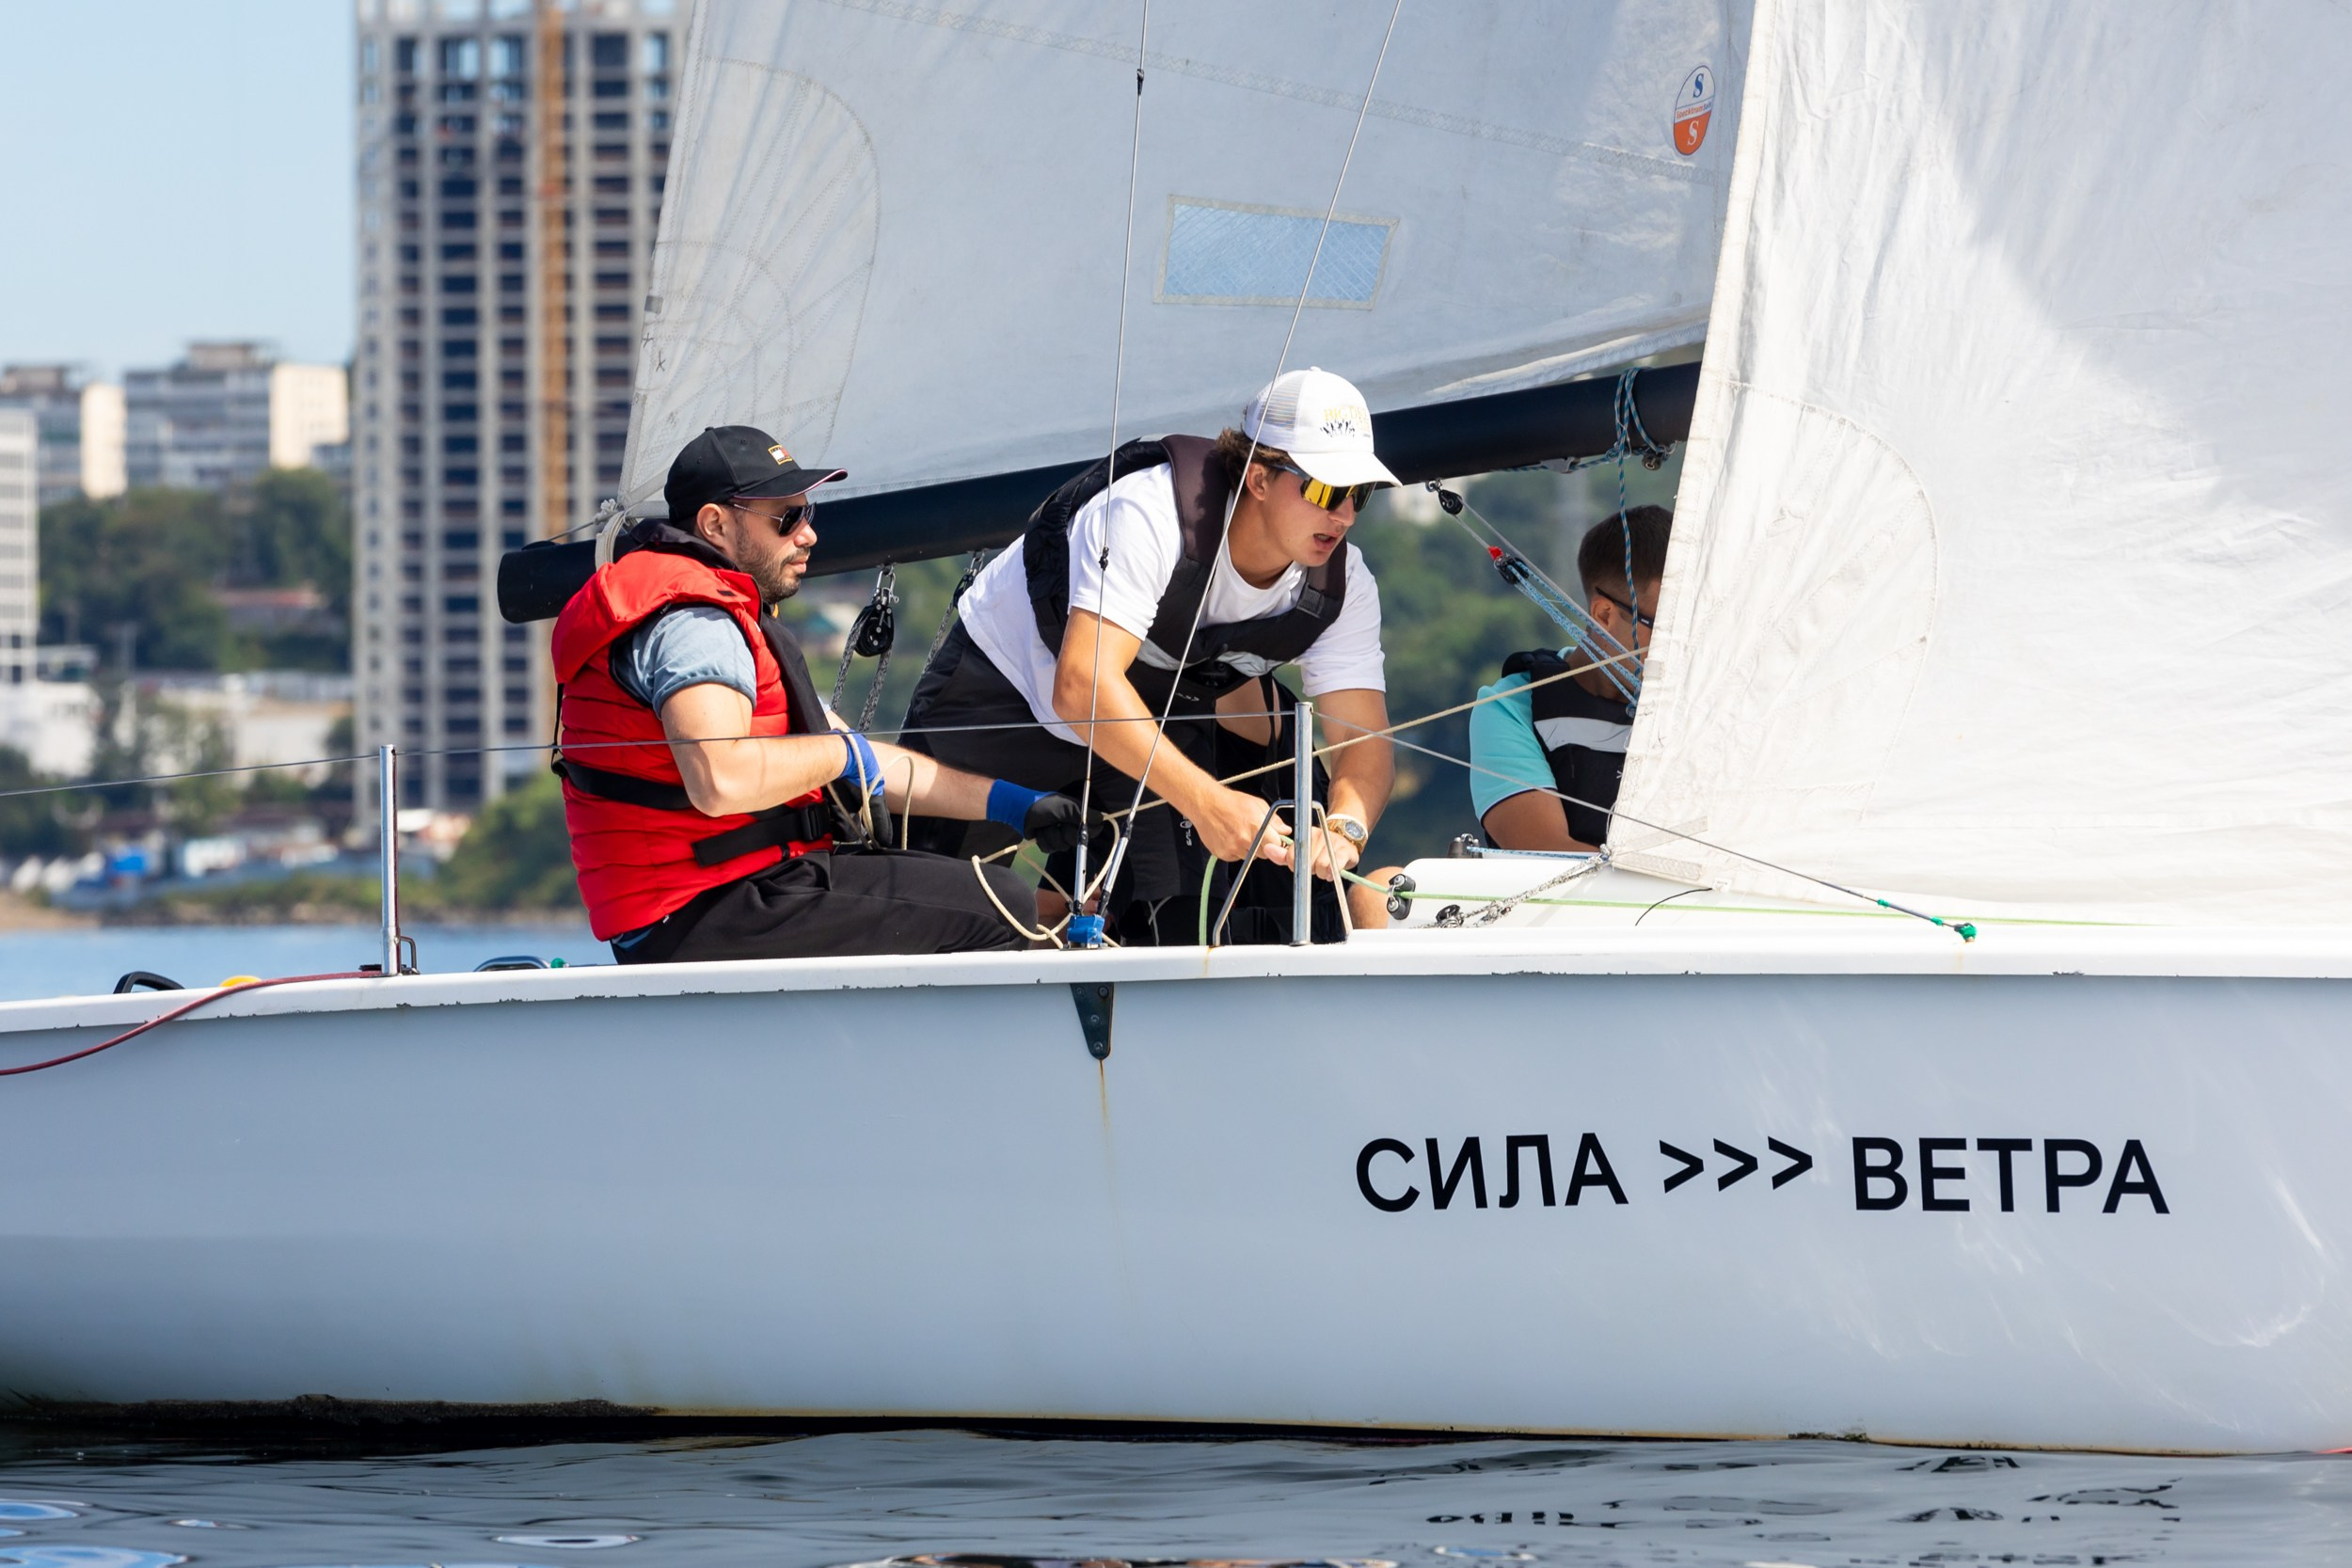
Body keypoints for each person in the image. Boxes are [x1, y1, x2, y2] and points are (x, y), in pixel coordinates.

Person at [551, 424, 1091, 963]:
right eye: (786, 518)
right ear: (714, 523)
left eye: (808, 514)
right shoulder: (696, 624)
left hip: (724, 894)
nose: (807, 534)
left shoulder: (718, 611)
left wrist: (1017, 805)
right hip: (702, 908)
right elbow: (721, 778)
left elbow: (864, 757)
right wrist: (835, 757)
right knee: (1004, 903)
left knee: (1008, 900)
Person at [899, 367, 1399, 943]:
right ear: (1259, 478)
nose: (1344, 515)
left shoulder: (1343, 586)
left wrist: (1346, 828)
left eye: (1359, 494)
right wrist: (1209, 803)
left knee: (1174, 928)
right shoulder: (1148, 513)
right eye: (1326, 491)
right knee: (926, 914)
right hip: (1002, 697)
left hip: (1138, 728)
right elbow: (1082, 685)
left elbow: (1363, 739)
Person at [1469, 505, 1671, 852]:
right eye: (1668, 624)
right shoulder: (1513, 709)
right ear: (1605, 614)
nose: (1686, 642)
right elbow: (1547, 852)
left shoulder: (1715, 701)